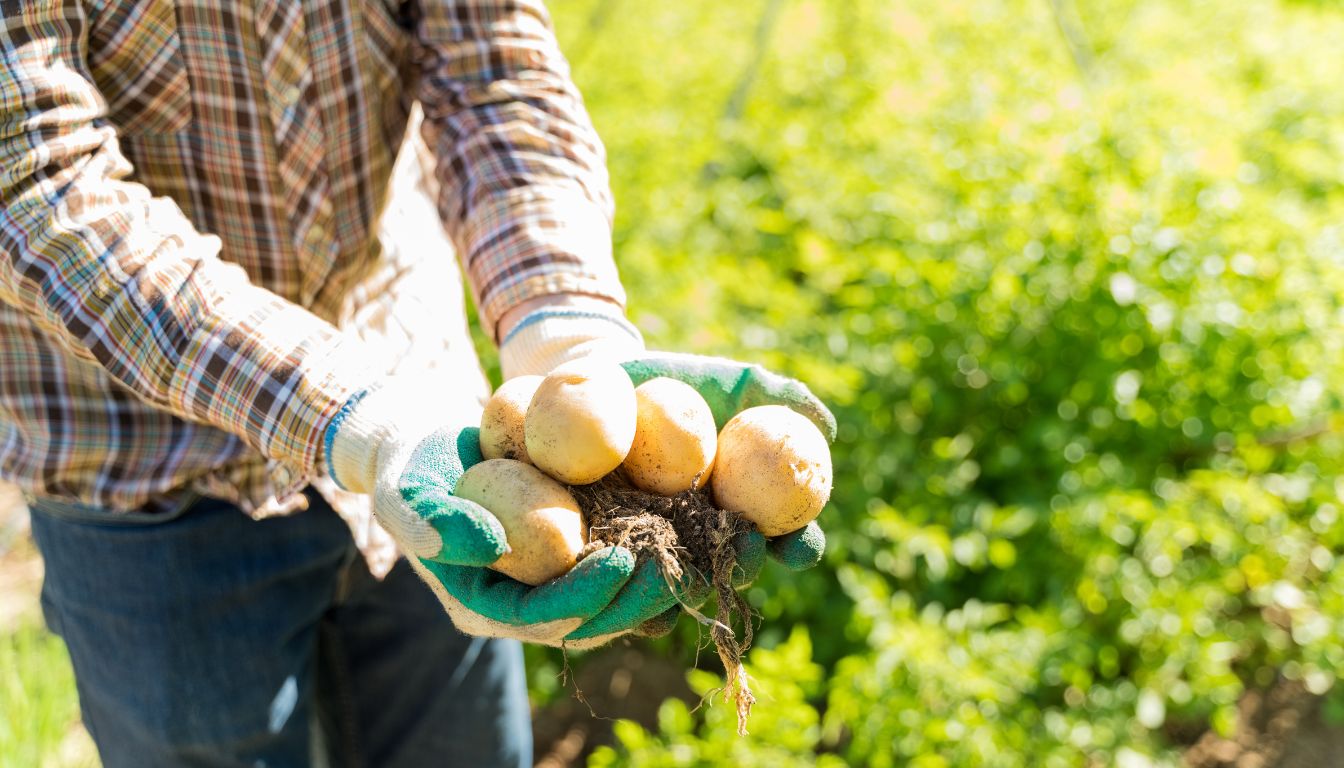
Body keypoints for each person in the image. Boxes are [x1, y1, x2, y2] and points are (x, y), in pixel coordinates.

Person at [0, 1, 833, 765]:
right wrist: (358, 421)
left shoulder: (470, 470)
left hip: (434, 443)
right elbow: (38, 185)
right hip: (145, 469)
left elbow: (495, 74)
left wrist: (566, 331)